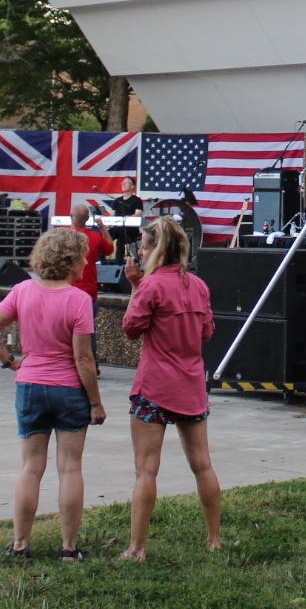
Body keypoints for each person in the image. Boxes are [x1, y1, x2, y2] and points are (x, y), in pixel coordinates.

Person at [0, 229, 107, 560]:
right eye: (83, 256)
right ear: (71, 260)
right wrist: (96, 402)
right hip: (69, 390)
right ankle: (69, 547)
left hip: (31, 386)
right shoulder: (79, 300)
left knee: (31, 467)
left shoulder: (22, 291)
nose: (87, 261)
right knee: (70, 468)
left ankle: (20, 543)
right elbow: (83, 359)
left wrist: (10, 362)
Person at [120, 215, 222, 560]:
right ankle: (214, 539)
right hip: (191, 385)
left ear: (154, 249)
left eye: (143, 247)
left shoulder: (150, 286)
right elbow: (207, 333)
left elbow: (132, 328)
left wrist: (135, 286)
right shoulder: (199, 286)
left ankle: (137, 548)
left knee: (146, 469)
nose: (140, 252)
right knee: (203, 465)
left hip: (154, 386)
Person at [69, 203, 116, 307]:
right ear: (87, 219)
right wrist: (102, 227)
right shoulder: (95, 236)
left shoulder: (62, 237)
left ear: (71, 216)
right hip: (88, 293)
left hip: (66, 292)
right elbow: (109, 249)